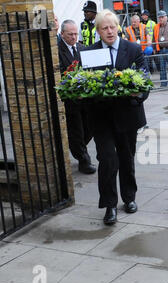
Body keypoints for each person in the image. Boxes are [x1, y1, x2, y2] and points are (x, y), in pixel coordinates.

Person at [86, 9, 149, 225]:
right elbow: (85, 83)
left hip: (127, 115)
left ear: (118, 27)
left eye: (112, 27)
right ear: (99, 31)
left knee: (126, 158)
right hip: (101, 117)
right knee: (107, 159)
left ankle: (129, 198)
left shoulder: (132, 49)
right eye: (104, 28)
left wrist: (137, 94)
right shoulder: (90, 52)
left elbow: (145, 80)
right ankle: (109, 205)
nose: (109, 31)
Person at [58, 20, 96, 175]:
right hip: (71, 100)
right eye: (70, 34)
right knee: (77, 131)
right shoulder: (57, 51)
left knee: (90, 129)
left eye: (75, 34)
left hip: (86, 99)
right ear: (62, 34)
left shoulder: (82, 48)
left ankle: (78, 147)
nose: (74, 37)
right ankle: (83, 159)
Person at [153, 10, 168, 87]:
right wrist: (154, 49)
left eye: (162, 17)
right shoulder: (156, 27)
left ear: (166, 17)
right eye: (159, 17)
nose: (161, 19)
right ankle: (163, 84)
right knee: (162, 68)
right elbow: (154, 38)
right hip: (161, 49)